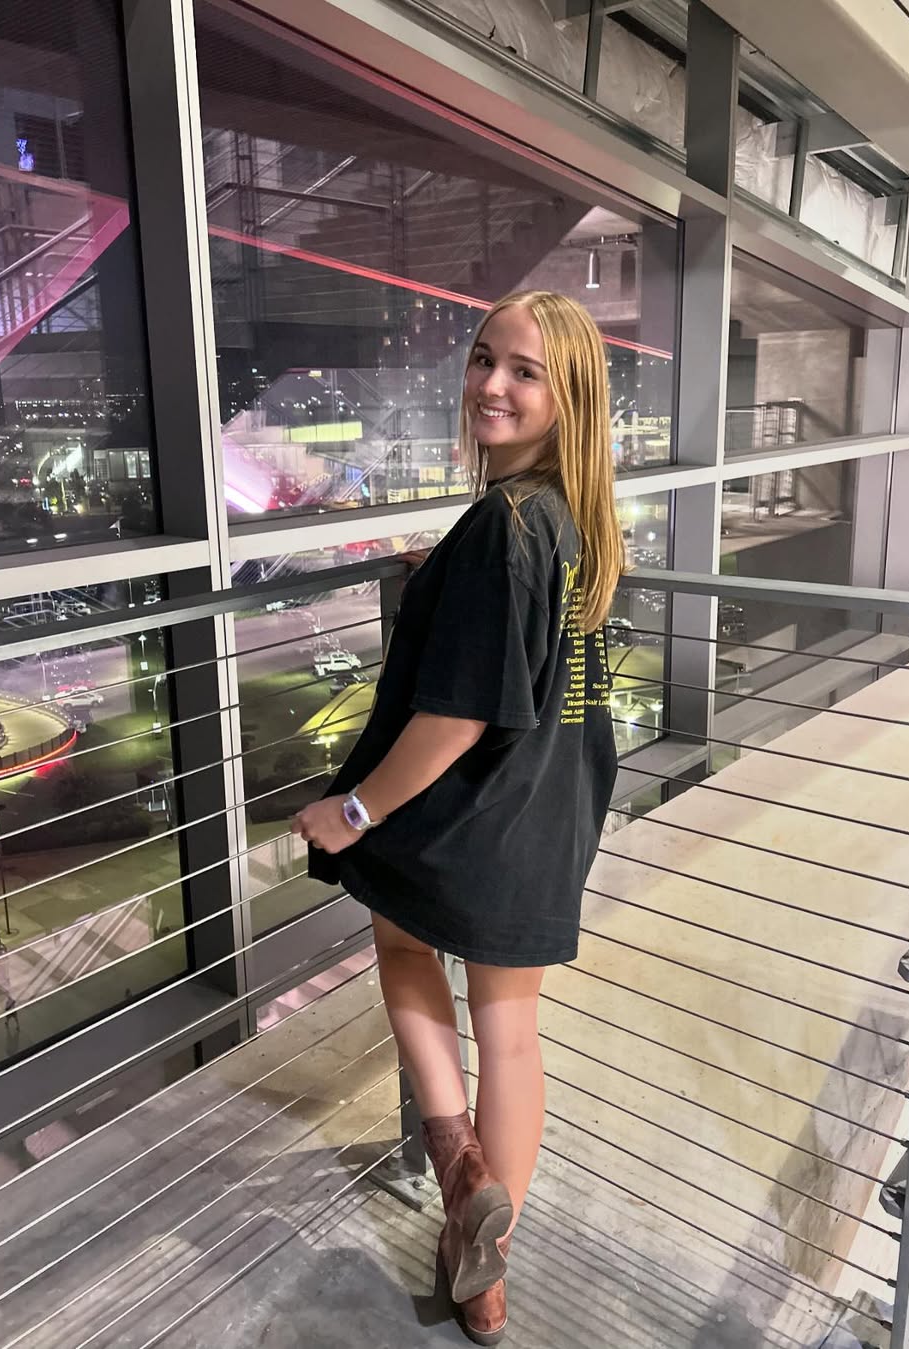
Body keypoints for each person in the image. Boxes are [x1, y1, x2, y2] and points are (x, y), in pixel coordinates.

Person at [293, 291, 622, 1344]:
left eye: (524, 370)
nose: (491, 384)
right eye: (484, 359)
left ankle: (460, 1170)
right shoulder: (577, 520)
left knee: (401, 944)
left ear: (569, 396)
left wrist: (353, 810)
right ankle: (485, 1275)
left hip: (478, 809)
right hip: (553, 807)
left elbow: (458, 714)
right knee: (511, 1037)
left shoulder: (502, 525)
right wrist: (437, 580)